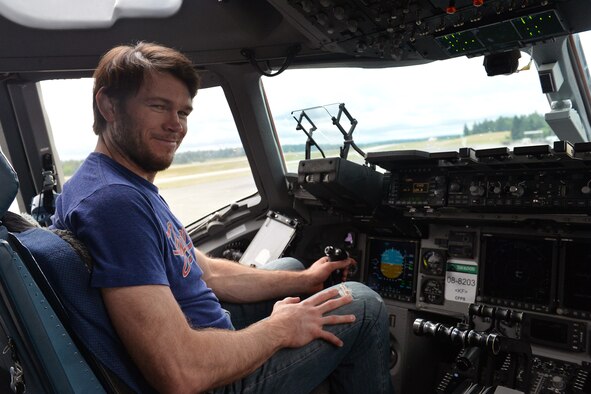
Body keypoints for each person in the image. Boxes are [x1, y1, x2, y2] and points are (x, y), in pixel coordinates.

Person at [52, 41, 394, 394]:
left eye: (183, 113)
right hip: (210, 380)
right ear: (108, 105)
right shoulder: (116, 203)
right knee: (363, 304)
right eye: (159, 107)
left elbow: (208, 272)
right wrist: (279, 329)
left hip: (203, 336)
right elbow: (180, 373)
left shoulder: (112, 183)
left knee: (291, 267)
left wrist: (306, 280)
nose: (175, 126)